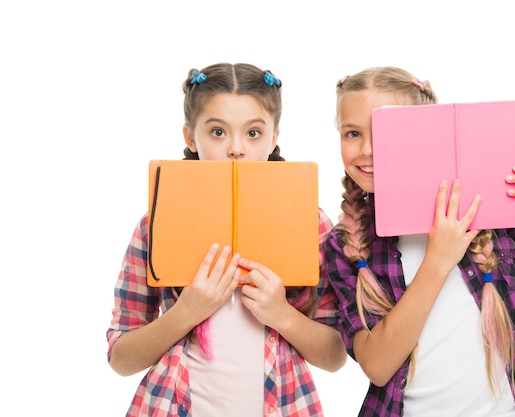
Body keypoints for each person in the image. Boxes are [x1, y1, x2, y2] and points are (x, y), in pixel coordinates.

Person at [323, 66, 515, 417]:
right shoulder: (344, 245)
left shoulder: (481, 208)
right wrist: (437, 262)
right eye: (352, 133)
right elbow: (377, 366)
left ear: (428, 135)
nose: (366, 149)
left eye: (385, 132)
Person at [107, 62, 346, 417]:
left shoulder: (310, 223)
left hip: (282, 404)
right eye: (217, 132)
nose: (236, 148)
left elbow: (335, 355)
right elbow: (121, 359)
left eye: (253, 133)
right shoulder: (156, 223)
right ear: (191, 137)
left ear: (274, 137)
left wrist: (281, 314)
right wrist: (187, 312)